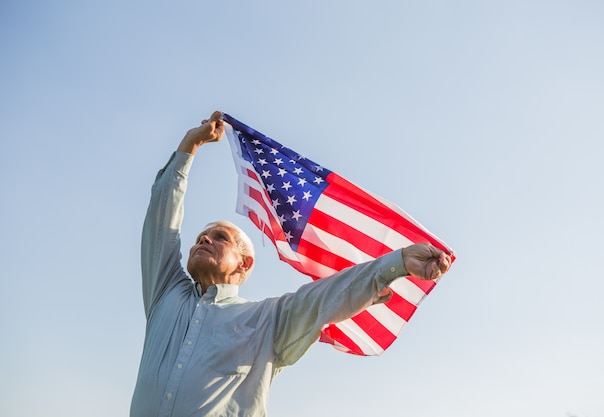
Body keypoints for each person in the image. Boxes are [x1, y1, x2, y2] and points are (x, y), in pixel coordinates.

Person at [130, 111, 452, 417]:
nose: (204, 240)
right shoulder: (166, 293)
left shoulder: (266, 320)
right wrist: (189, 146)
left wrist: (394, 264)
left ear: (245, 264)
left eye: (219, 237)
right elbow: (162, 218)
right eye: (201, 236)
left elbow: (323, 298)